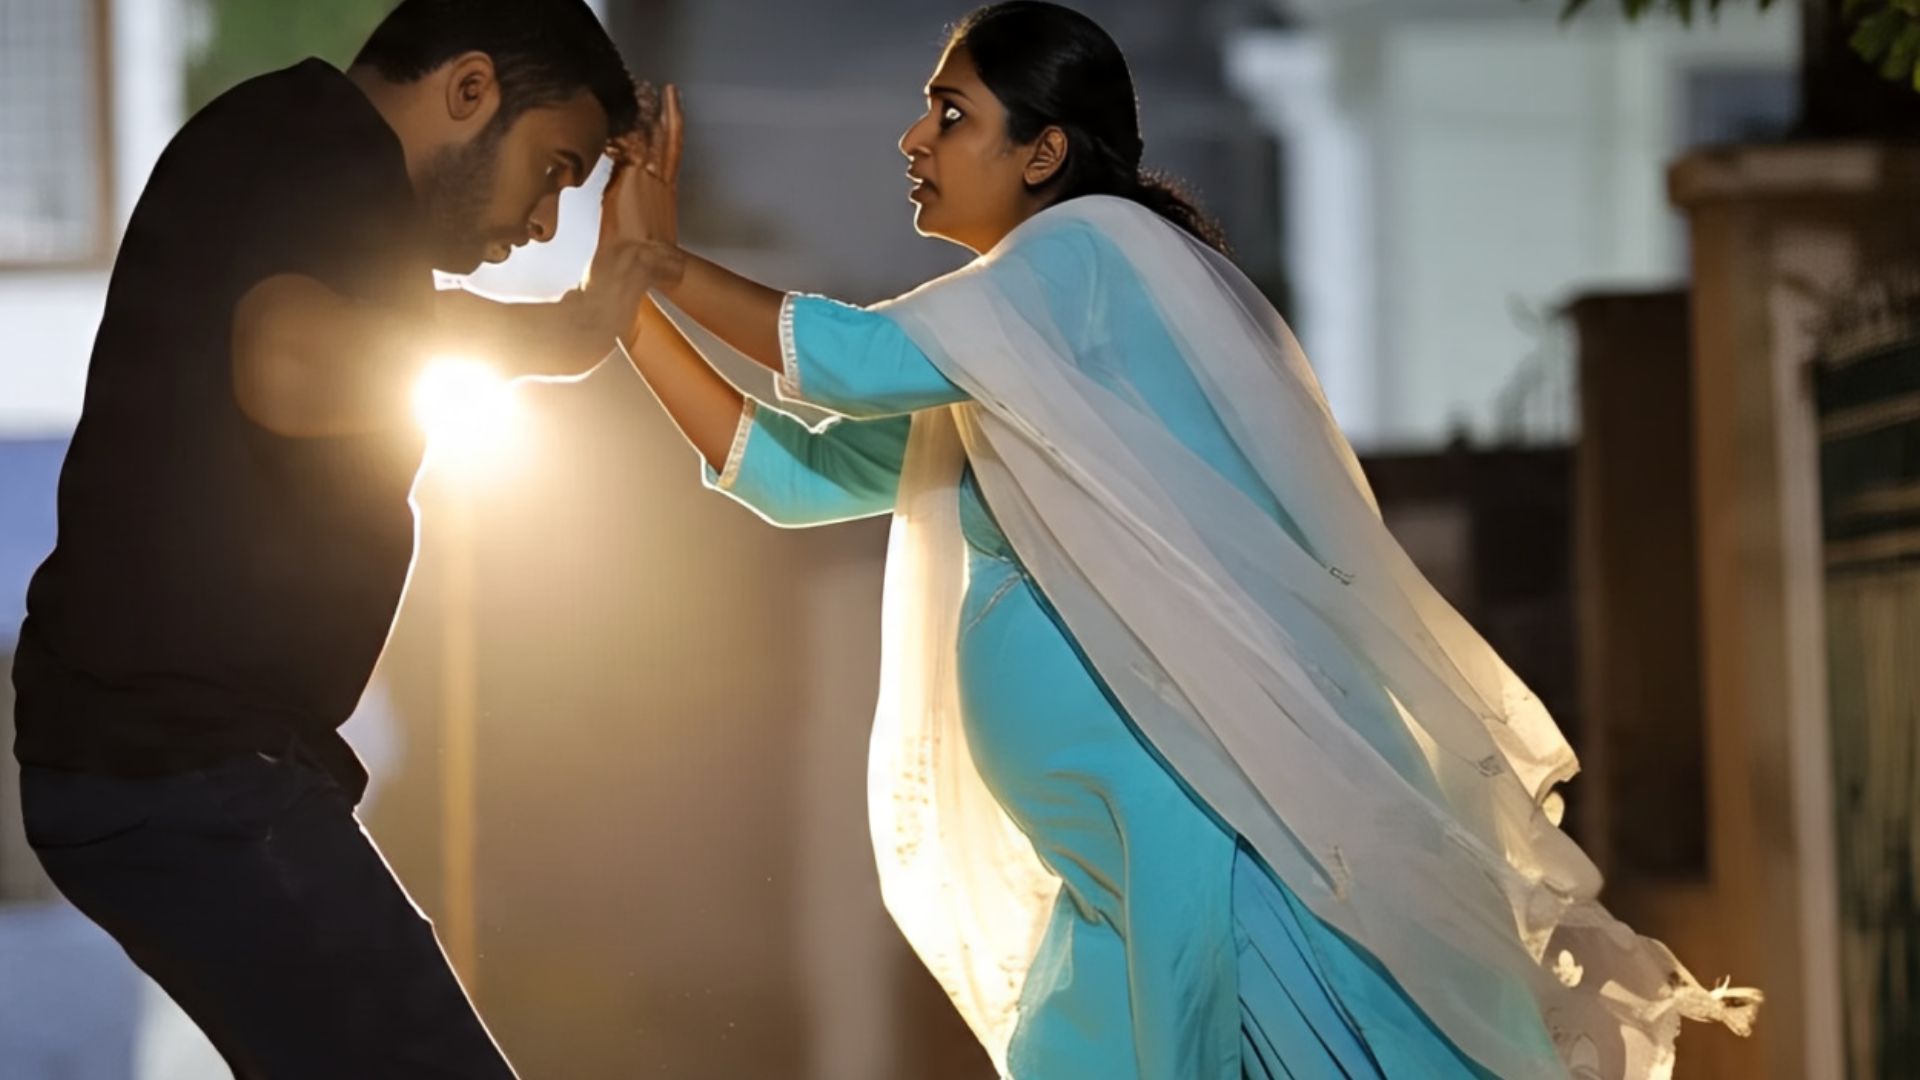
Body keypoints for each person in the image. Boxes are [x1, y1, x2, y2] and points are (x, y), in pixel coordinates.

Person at [606, 3, 1760, 1077]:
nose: (915, 138)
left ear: (1044, 153)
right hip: (1122, 880)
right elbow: (795, 474)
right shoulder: (1012, 352)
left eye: (951, 114)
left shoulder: (1087, 253)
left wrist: (667, 262)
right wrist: (631, 309)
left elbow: (854, 363)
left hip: (1212, 835)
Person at [11, 1, 648, 1075]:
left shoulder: (303, 159)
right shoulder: (322, 146)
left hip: (181, 763)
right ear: (469, 89)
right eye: (554, 170)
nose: (546, 224)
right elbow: (291, 367)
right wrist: (555, 335)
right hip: (184, 763)